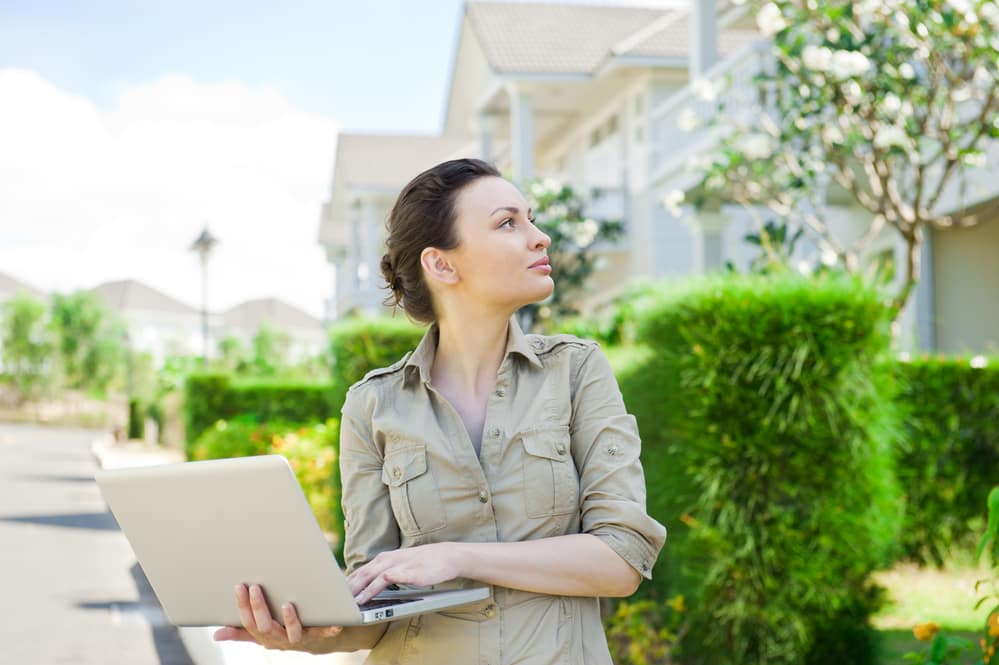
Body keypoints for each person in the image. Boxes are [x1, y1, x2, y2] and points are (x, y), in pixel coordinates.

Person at [213, 158, 667, 663]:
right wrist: (311, 632)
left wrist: (456, 556)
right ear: (441, 264)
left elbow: (621, 558)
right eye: (507, 223)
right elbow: (373, 608)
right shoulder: (371, 405)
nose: (540, 238)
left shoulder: (577, 371)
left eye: (530, 219)